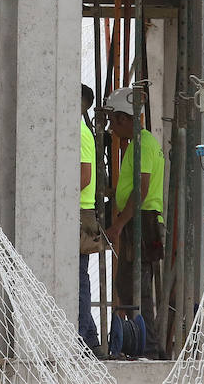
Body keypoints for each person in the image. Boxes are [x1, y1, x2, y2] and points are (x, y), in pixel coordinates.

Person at [103, 86, 164, 360]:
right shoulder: (139, 144)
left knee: (135, 284)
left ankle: (147, 347)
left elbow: (141, 189)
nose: (111, 127)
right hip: (139, 218)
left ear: (125, 119)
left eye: (113, 120)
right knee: (128, 283)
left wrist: (118, 224)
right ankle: (143, 343)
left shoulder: (143, 143)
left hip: (142, 221)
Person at [78, 84, 107, 358]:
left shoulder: (80, 132)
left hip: (80, 213)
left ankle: (84, 337)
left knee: (78, 277)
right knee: (78, 277)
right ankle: (88, 337)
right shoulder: (78, 129)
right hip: (80, 212)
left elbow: (84, 176)